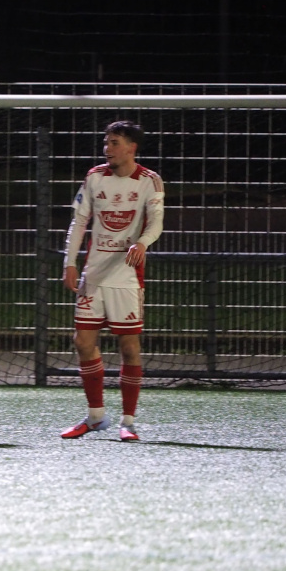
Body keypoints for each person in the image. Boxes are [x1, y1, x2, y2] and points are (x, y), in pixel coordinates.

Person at [60, 120, 164, 441]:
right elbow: (79, 221)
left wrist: (142, 243)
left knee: (129, 347)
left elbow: (156, 222)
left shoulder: (149, 181)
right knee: (83, 342)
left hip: (126, 277)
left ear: (132, 148)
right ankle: (95, 417)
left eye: (115, 143)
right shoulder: (94, 177)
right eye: (106, 143)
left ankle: (128, 422)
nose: (108, 148)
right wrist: (70, 262)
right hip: (94, 274)